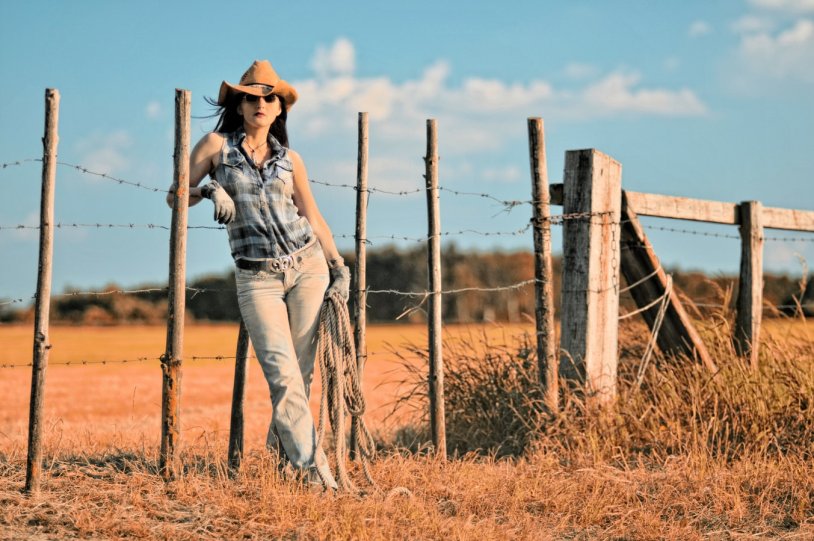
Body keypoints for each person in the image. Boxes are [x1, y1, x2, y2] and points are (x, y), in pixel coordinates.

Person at [166, 60, 349, 490]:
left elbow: (314, 217)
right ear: (241, 104)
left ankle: (282, 465)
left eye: (270, 97)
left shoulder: (291, 160)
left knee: (300, 377)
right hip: (257, 278)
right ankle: (317, 477)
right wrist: (210, 188)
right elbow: (174, 197)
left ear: (280, 107)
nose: (261, 104)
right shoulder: (215, 146)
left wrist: (338, 266)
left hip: (307, 267)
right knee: (282, 375)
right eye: (252, 97)